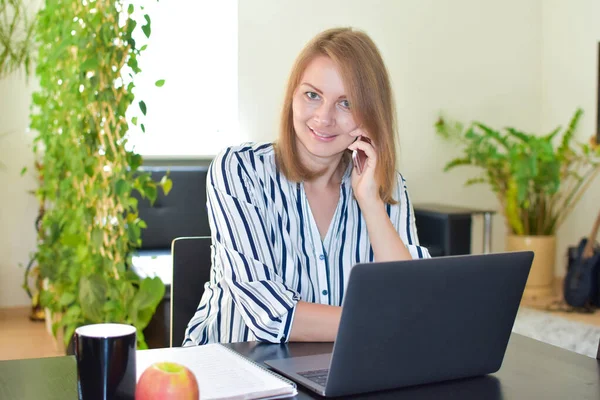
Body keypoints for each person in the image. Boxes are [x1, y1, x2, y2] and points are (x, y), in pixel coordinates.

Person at [183, 27, 430, 346]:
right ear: (292, 98)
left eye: (346, 103)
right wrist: (383, 321)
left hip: (337, 370)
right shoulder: (240, 169)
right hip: (234, 373)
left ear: (370, 113)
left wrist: (370, 201)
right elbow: (269, 315)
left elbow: (411, 299)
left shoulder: (386, 184)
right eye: (312, 95)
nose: (324, 118)